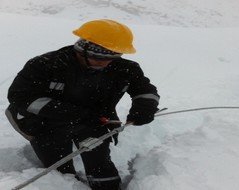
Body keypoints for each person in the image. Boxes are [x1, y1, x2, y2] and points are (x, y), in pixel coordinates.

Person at [5, 19, 160, 190]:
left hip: (95, 120)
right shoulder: (45, 65)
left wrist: (145, 107)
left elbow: (145, 90)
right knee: (59, 168)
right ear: (83, 48)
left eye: (113, 56)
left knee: (100, 164)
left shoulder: (125, 68)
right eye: (100, 57)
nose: (106, 62)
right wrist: (75, 114)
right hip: (42, 122)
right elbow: (20, 97)